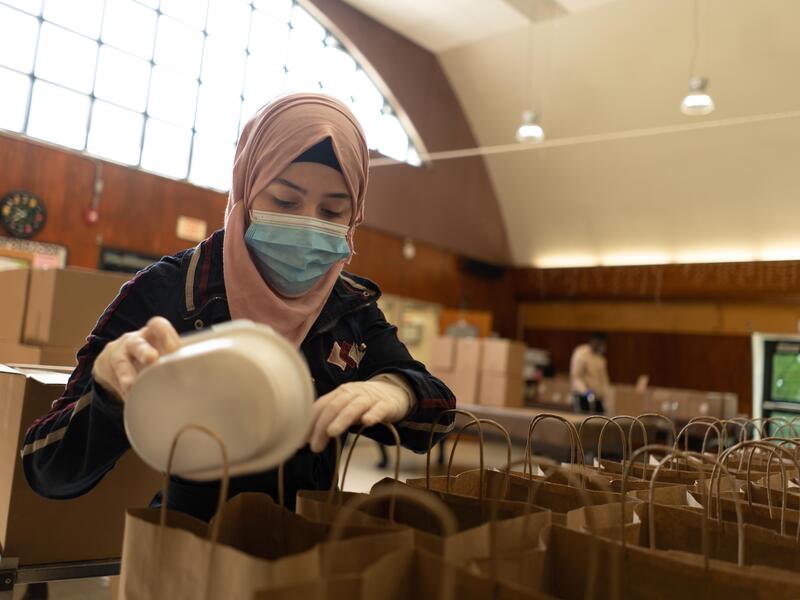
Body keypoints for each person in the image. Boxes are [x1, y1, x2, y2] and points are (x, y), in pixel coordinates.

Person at [20, 93, 456, 522]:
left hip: (309, 559)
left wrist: (397, 391)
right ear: (247, 189)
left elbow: (437, 417)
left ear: (353, 217)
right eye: (285, 202)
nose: (308, 224)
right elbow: (49, 470)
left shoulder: (350, 308)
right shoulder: (171, 292)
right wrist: (109, 395)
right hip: (186, 554)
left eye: (332, 210)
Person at [569, 332, 610, 414]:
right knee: (583, 422)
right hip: (583, 397)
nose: (602, 345)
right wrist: (585, 391)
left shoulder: (600, 358)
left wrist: (605, 393)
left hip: (597, 398)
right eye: (600, 343)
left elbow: (604, 379)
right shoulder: (581, 353)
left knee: (601, 422)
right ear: (594, 341)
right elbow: (576, 377)